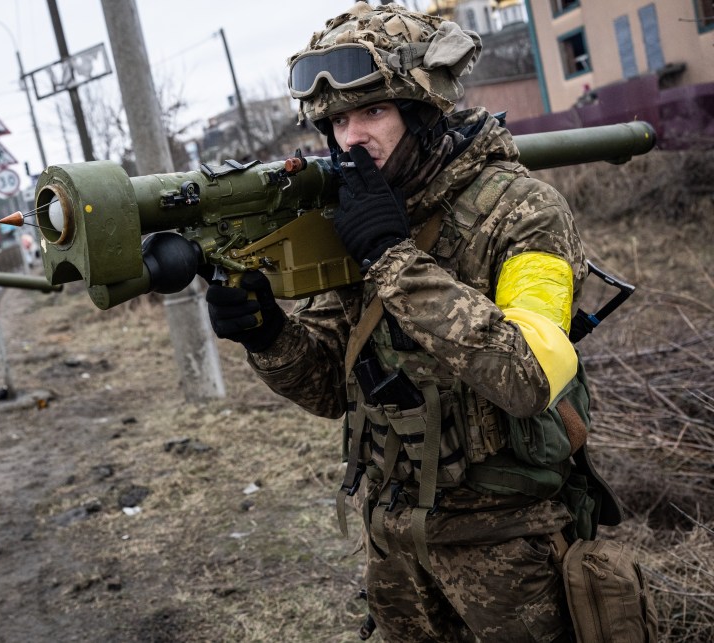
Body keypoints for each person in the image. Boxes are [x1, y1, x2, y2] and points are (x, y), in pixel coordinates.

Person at [204, 3, 637, 641]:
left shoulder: (522, 210)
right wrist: (269, 334)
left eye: (373, 111)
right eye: (339, 121)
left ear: (423, 111)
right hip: (396, 543)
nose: (352, 137)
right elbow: (333, 387)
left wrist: (390, 258)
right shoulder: (358, 213)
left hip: (510, 549)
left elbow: (529, 376)